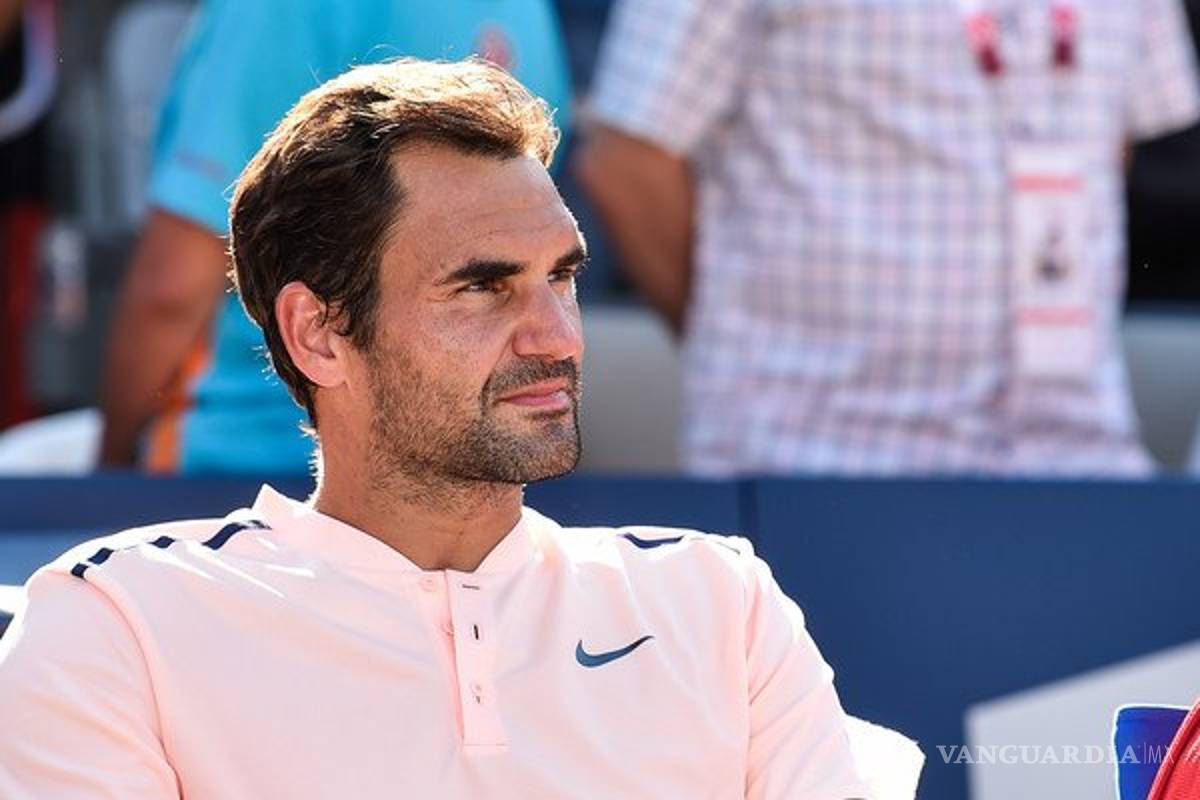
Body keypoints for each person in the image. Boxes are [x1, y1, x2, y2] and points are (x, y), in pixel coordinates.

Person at [0, 59, 873, 798]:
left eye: (562, 278)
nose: (557, 337)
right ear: (318, 334)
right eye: (483, 287)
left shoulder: (721, 602)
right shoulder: (116, 621)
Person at [576, 0, 1200, 477]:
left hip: (1078, 457)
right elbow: (627, 161)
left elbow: (1107, 145)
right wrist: (728, 350)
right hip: (816, 460)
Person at [98, 0, 571, 474]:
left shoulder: (277, 10)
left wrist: (108, 468)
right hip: (469, 463)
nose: (561, 338)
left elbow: (174, 287)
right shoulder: (528, 10)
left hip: (237, 455)